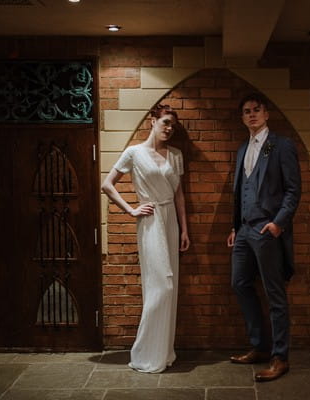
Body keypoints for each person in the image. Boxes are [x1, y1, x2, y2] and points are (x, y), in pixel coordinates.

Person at [101, 104, 190, 373]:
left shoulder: (176, 154)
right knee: (161, 287)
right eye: (164, 122)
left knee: (170, 287)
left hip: (171, 220)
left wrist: (184, 229)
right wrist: (131, 209)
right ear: (152, 121)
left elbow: (179, 195)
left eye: (172, 125)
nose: (168, 128)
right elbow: (107, 185)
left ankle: (163, 353)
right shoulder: (134, 153)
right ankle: (144, 352)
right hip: (150, 221)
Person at [227, 92, 301, 382]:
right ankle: (259, 346)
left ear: (266, 114)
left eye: (256, 110)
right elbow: (240, 192)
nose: (251, 114)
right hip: (245, 230)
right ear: (242, 117)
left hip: (267, 229)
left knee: (275, 294)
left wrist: (278, 224)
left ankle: (280, 357)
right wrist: (235, 227)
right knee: (240, 283)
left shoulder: (282, 145)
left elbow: (293, 190)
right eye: (246, 111)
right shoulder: (242, 148)